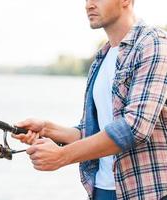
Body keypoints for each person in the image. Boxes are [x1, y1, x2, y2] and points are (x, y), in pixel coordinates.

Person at [11, 0, 167, 199]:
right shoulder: (102, 56)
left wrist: (62, 156)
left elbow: (134, 127)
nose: (89, 5)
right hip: (101, 190)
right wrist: (48, 129)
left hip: (146, 192)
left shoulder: (154, 43)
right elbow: (93, 131)